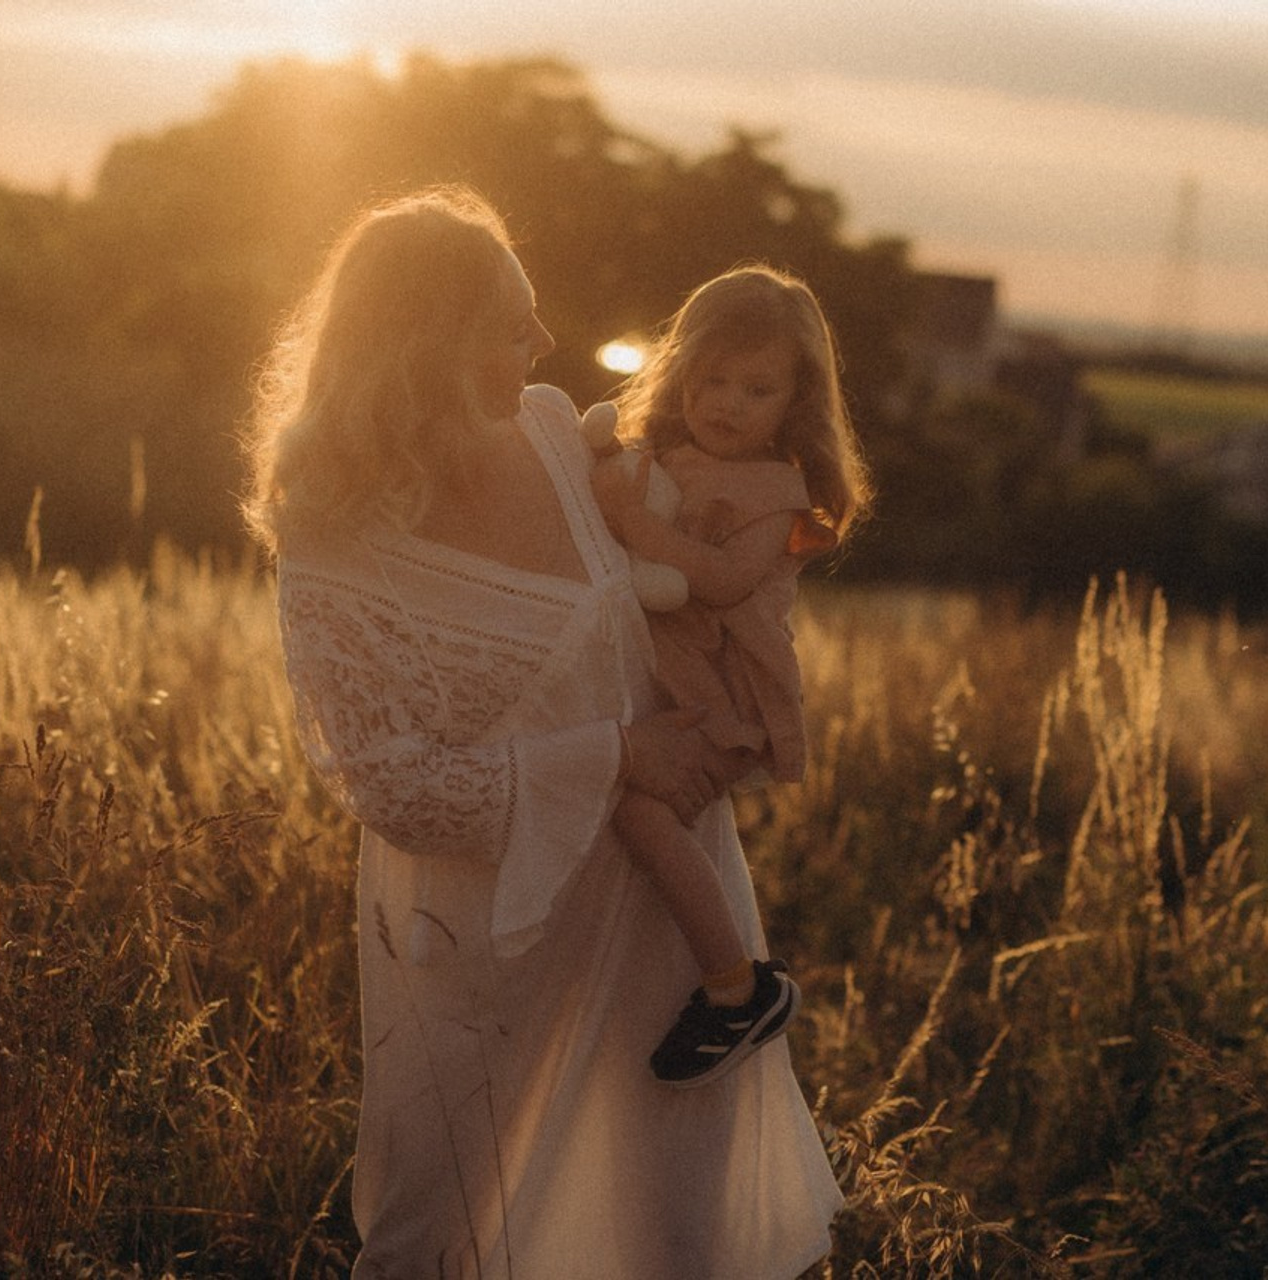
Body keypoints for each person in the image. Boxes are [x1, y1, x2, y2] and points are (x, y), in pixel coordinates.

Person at [243, 186, 843, 1278]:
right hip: (487, 937)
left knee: (671, 1220)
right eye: (512, 323)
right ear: (430, 343)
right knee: (444, 1231)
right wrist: (616, 753)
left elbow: (698, 546)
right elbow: (390, 784)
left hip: (663, 897)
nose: (545, 340)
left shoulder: (555, 432)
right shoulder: (333, 540)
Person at [591, 266, 871, 1089]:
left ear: (795, 404)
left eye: (757, 389)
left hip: (722, 697)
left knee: (642, 814)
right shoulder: (664, 456)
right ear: (681, 372)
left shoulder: (777, 495)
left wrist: (635, 522)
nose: (727, 403)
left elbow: (719, 581)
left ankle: (737, 988)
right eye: (712, 379)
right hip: (660, 679)